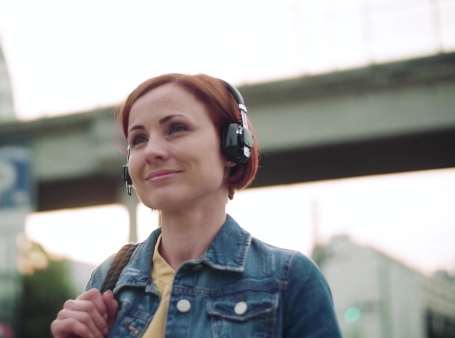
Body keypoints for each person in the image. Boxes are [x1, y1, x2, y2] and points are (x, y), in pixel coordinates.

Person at [51, 73, 342, 338]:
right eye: (138, 139)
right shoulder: (108, 280)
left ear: (232, 146)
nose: (151, 150)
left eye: (176, 128)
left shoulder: (290, 279)